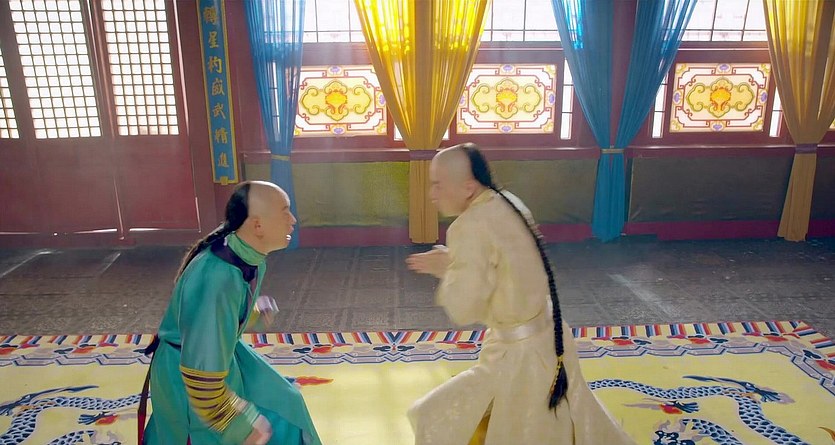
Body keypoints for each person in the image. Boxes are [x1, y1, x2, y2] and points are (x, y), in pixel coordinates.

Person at [406, 144, 635, 445]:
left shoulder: (467, 226)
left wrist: (446, 269)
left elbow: (463, 308)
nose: (432, 194)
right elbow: (506, 269)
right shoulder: (507, 200)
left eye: (438, 184)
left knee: (435, 416)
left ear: (468, 187)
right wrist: (455, 263)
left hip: (519, 360)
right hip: (551, 339)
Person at [141, 181, 321, 445]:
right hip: (193, 375)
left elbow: (216, 318)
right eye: (285, 211)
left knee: (286, 405)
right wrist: (238, 424)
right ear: (257, 225)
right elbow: (202, 381)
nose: (293, 220)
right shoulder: (218, 277)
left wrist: (251, 313)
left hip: (218, 358)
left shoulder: (246, 255)